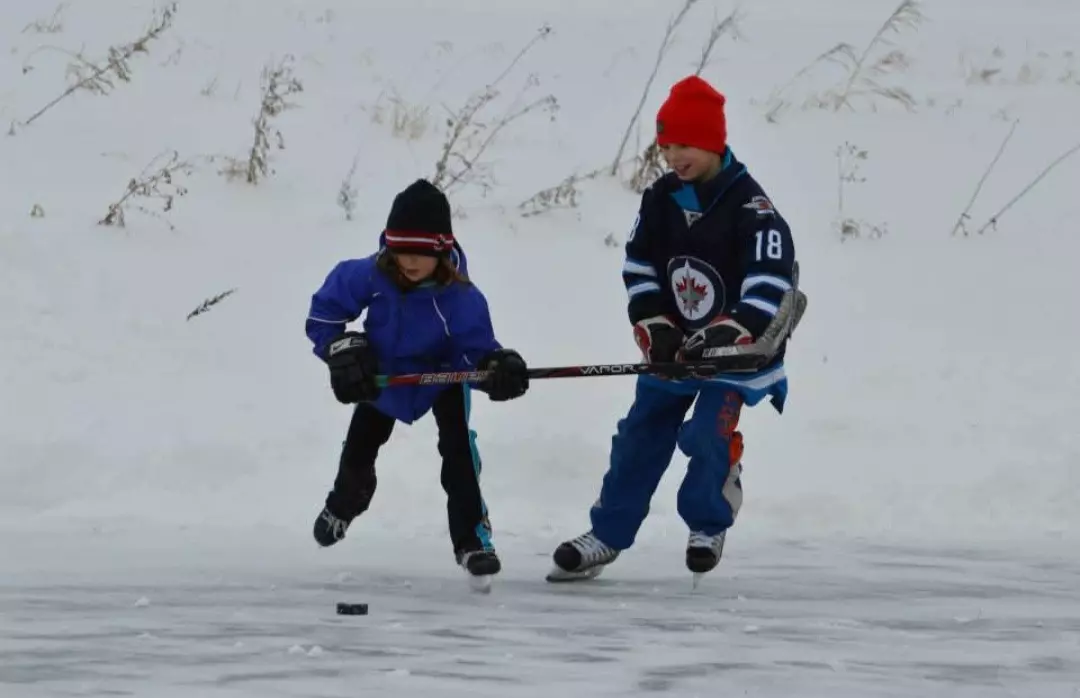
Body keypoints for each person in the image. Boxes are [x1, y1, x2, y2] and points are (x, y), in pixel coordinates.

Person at [548, 75, 800, 582]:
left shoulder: (753, 208)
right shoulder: (660, 199)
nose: (673, 155)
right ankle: (607, 534)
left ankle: (708, 520)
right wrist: (655, 325)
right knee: (639, 435)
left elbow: (770, 280)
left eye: (684, 144)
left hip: (734, 357)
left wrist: (733, 330)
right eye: (665, 145)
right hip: (677, 351)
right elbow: (639, 265)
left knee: (708, 432)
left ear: (713, 141)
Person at [305, 178, 529, 580]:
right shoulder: (369, 275)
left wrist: (495, 368)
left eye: (421, 254)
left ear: (441, 252)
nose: (409, 261)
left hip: (439, 379)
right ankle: (343, 504)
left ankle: (472, 540)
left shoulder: (460, 297)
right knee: (358, 453)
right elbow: (324, 314)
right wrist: (340, 349)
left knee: (458, 454)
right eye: (401, 250)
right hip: (383, 378)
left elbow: (474, 350)